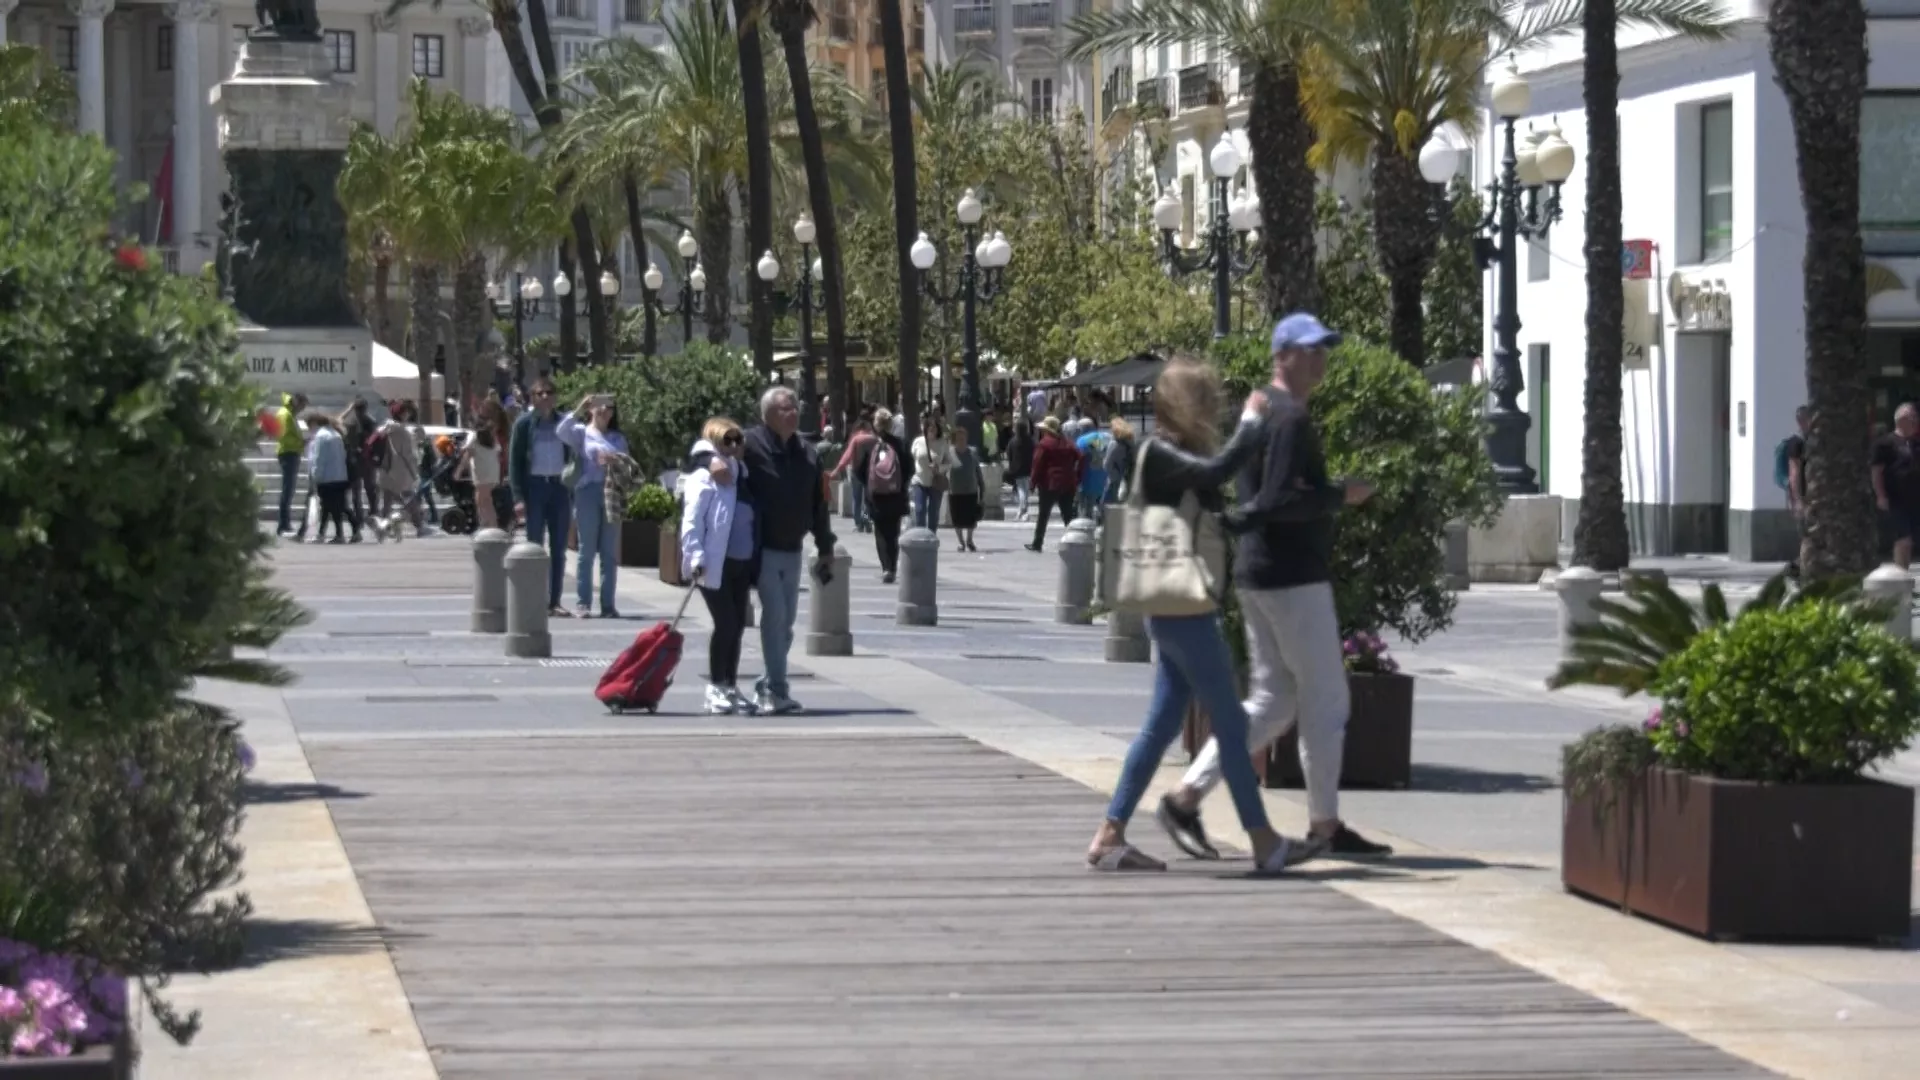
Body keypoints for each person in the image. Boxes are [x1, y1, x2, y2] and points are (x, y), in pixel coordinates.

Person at [1155, 313, 1391, 864]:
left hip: (1260, 574)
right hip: (1292, 576)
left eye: (1324, 349)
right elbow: (1280, 502)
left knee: (1273, 701)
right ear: (1281, 354)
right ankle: (1325, 824)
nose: (1320, 359)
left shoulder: (1263, 411)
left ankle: (1186, 796)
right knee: (1326, 700)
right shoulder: (1286, 418)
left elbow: (1261, 498)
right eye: (1309, 351)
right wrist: (1339, 495)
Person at [1087, 357, 1312, 873]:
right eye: (1208, 401)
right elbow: (1218, 473)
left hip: (1176, 606)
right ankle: (1263, 842)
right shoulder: (1159, 453)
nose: (1216, 411)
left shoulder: (1174, 455)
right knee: (1231, 725)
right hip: (1181, 608)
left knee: (1163, 722)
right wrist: (1254, 423)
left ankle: (1109, 835)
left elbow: (1220, 512)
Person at [724, 387, 837, 715]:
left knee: (786, 624)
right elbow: (707, 448)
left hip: (793, 548)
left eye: (795, 407)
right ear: (769, 414)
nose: (793, 413)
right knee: (774, 618)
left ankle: (766, 683)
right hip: (763, 549)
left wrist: (825, 544)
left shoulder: (807, 452)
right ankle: (776, 690)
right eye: (786, 408)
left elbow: (819, 503)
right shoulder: (750, 443)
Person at [682, 417, 759, 715]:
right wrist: (696, 556)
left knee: (738, 625)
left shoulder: (741, 473)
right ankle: (715, 686)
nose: (735, 446)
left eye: (738, 440)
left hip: (741, 562)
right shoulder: (703, 476)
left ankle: (729, 684)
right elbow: (692, 520)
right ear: (714, 441)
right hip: (715, 563)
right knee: (725, 623)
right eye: (728, 440)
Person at [559, 393, 631, 618]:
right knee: (586, 550)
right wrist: (580, 405)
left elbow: (628, 467)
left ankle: (608, 605)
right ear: (591, 409)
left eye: (609, 407)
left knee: (609, 553)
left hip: (612, 493)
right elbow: (561, 430)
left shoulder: (618, 438)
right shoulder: (582, 433)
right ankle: (583, 602)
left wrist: (615, 461)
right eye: (599, 406)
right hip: (587, 492)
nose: (604, 411)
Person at [508, 376, 575, 617]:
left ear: (555, 396)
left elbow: (575, 452)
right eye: (540, 393)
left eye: (549, 392)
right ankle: (534, 600)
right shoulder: (524, 424)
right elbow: (514, 463)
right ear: (532, 398)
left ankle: (554, 601)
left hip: (558, 488)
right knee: (534, 547)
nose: (545, 397)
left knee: (559, 549)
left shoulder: (564, 423)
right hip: (534, 488)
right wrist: (518, 497)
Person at [857, 408, 911, 584]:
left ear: (876, 424)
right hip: (895, 494)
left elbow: (859, 471)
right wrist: (901, 484)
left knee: (880, 532)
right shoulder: (900, 444)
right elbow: (909, 468)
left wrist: (869, 484)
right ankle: (893, 567)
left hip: (876, 497)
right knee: (893, 532)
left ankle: (885, 567)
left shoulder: (870, 445)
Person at [1873, 403, 1920, 570]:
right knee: (1903, 539)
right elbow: (1877, 472)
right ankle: (1901, 573)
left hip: (1915, 499)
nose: (1916, 422)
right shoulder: (1885, 443)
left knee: (1912, 539)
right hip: (1896, 499)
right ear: (1901, 420)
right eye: (1913, 418)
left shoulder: (1915, 443)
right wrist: (1881, 496)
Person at [1025, 416, 1082, 552]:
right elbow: (1080, 457)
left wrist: (1032, 483)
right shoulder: (1068, 443)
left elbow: (1037, 465)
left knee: (1043, 515)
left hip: (1049, 483)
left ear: (1047, 430)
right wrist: (1076, 475)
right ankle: (1075, 541)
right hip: (1068, 483)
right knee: (1068, 515)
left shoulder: (1044, 444)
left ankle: (1037, 543)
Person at [303, 410, 352, 544]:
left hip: (327, 478)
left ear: (314, 423)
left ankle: (337, 533)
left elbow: (319, 458)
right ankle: (329, 533)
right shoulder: (336, 435)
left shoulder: (321, 436)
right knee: (333, 507)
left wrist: (315, 476)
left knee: (331, 507)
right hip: (340, 476)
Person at [831, 409, 878, 535]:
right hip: (870, 472)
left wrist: (837, 469)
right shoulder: (874, 439)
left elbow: (847, 455)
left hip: (856, 471)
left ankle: (858, 523)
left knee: (856, 498)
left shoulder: (856, 439)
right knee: (868, 499)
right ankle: (867, 519)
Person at [911, 415, 955, 530]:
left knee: (933, 513)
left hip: (936, 483)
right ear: (925, 428)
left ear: (938, 429)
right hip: (919, 481)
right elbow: (912, 459)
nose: (932, 429)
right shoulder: (918, 442)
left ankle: (931, 537)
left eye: (934, 427)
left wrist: (939, 468)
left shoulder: (942, 443)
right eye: (929, 427)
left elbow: (949, 462)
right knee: (920, 510)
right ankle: (920, 537)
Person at [273, 391, 308, 536]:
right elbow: (283, 436)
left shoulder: (287, 414)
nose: (302, 410)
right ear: (296, 402)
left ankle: (285, 523)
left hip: (291, 452)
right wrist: (302, 442)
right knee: (287, 490)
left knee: (289, 489)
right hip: (288, 453)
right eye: (302, 406)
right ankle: (283, 524)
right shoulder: (285, 415)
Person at [1781, 405, 1810, 578]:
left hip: (1815, 497)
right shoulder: (1796, 443)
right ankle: (1799, 571)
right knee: (1807, 536)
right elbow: (1794, 472)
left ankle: (1801, 568)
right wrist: (1798, 500)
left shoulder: (1813, 441)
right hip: (1803, 497)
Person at [946, 425, 986, 552]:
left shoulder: (972, 452)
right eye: (959, 438)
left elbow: (977, 471)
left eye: (963, 438)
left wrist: (982, 488)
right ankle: (961, 542)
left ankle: (969, 540)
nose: (962, 440)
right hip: (955, 491)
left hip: (971, 490)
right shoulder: (949, 453)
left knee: (971, 519)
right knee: (957, 518)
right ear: (955, 440)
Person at [1074, 419, 1112, 523]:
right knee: (1104, 515)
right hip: (1105, 481)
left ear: (1082, 429)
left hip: (1088, 482)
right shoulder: (1107, 437)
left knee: (1086, 515)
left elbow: (1077, 460)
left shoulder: (1082, 440)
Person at [1005, 417, 1035, 522]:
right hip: (1028, 468)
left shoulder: (1013, 441)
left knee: (1021, 489)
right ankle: (1023, 510)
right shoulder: (1030, 440)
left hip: (1016, 469)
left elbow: (1009, 454)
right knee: (1025, 489)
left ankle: (1022, 510)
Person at [1103, 417, 1137, 507]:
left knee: (1108, 505)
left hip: (1115, 479)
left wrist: (1114, 476)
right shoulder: (1131, 443)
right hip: (1128, 478)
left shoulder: (1114, 444)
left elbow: (1107, 464)